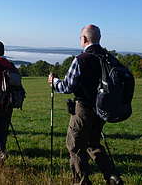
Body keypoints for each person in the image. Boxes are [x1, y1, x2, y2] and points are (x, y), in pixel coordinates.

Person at [48, 25, 123, 185]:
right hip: (102, 110)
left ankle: (81, 181)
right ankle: (112, 177)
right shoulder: (109, 58)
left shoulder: (81, 59)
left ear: (83, 39)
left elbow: (68, 86)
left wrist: (54, 82)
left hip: (83, 108)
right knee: (93, 143)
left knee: (74, 146)